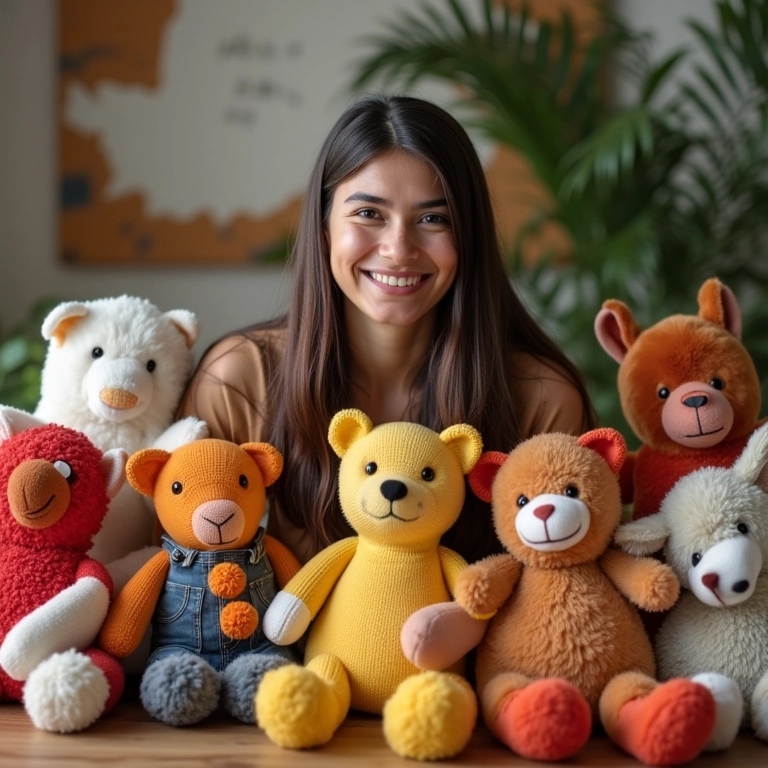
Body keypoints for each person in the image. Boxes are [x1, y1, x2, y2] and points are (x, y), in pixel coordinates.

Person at [177, 94, 596, 566]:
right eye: (369, 214)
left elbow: (570, 589)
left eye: (434, 219)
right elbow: (177, 573)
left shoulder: (541, 398)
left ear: (469, 237)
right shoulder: (239, 379)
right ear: (323, 226)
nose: (399, 249)